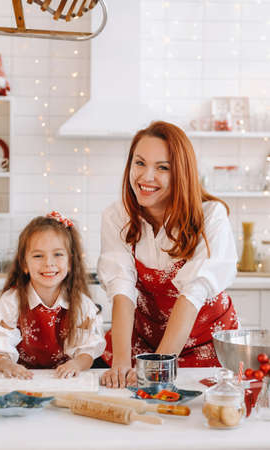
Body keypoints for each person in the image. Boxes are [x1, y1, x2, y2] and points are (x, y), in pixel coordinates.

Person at [97, 121, 239, 388]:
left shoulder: (210, 217)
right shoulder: (118, 217)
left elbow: (191, 296)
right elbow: (122, 290)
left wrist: (157, 366)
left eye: (162, 167)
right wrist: (120, 363)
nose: (146, 177)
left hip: (205, 344)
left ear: (181, 174)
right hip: (145, 340)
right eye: (139, 163)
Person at [0, 211, 105, 379]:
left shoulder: (82, 304)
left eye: (58, 254)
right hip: (23, 380)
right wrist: (7, 365)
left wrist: (76, 364)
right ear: (24, 264)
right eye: (38, 255)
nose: (48, 263)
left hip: (65, 380)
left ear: (70, 263)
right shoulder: (11, 301)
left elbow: (87, 351)